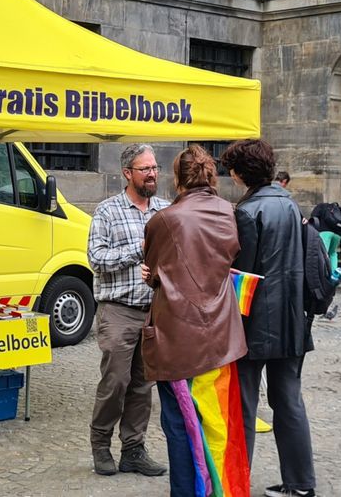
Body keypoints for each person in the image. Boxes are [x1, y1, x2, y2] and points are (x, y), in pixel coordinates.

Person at [141, 145, 250, 496]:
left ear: (177, 178)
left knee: (178, 423)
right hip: (220, 334)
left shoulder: (164, 219)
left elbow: (156, 269)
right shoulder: (229, 212)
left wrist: (153, 276)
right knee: (216, 421)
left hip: (178, 336)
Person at [221, 139, 317, 497]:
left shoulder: (247, 212)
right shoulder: (289, 205)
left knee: (244, 406)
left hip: (255, 325)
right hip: (292, 320)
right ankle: (301, 484)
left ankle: (237, 483)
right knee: (289, 402)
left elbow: (241, 277)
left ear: (240, 173)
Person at [87, 143, 169, 478]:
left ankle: (133, 449)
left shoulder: (164, 210)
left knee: (142, 384)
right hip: (118, 310)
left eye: (154, 168)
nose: (152, 174)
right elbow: (96, 259)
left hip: (153, 310)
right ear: (127, 173)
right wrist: (139, 250)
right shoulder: (106, 211)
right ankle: (101, 444)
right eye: (145, 169)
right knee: (116, 381)